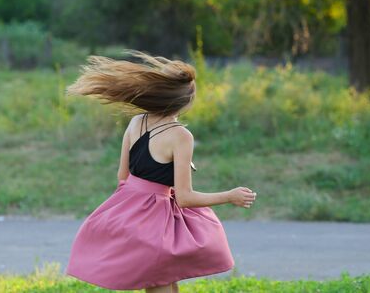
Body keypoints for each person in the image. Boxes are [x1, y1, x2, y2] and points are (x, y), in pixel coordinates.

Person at [65, 50, 257, 293]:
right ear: (184, 102)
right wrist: (229, 196)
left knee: (166, 283)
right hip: (154, 223)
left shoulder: (137, 122)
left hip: (128, 213)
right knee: (162, 285)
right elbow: (186, 198)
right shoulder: (180, 136)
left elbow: (122, 177)